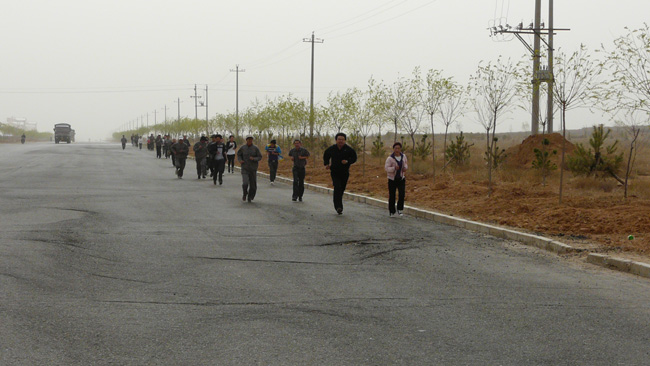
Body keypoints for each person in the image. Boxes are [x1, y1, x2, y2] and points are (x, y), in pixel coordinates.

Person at [323, 132, 357, 215]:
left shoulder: (349, 149)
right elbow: (326, 155)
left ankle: (338, 202)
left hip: (345, 172)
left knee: (342, 189)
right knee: (337, 187)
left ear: (345, 140)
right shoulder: (332, 149)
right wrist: (326, 164)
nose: (340, 141)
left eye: (342, 139)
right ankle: (338, 207)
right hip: (334, 172)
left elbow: (354, 158)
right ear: (336, 140)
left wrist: (347, 161)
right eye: (339, 139)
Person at [384, 142, 408, 217]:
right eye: (395, 148)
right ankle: (392, 211)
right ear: (393, 149)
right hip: (392, 179)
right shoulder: (390, 158)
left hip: (401, 178)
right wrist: (394, 168)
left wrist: (405, 168)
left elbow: (406, 164)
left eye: (398, 148)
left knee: (402, 194)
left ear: (400, 149)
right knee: (392, 195)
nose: (397, 150)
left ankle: (400, 209)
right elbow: (386, 168)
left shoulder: (403, 156)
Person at [236, 136, 263, 202]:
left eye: (251, 139)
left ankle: (250, 196)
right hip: (245, 168)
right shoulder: (243, 148)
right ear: (246, 140)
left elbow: (260, 157)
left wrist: (254, 159)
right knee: (245, 183)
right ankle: (245, 193)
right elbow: (239, 154)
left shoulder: (255, 148)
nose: (250, 141)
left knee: (253, 186)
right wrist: (240, 160)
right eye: (248, 139)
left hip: (253, 168)